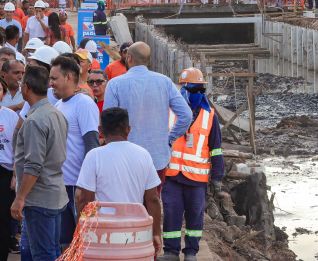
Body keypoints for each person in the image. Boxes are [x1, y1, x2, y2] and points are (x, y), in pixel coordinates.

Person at [103, 42, 192, 188]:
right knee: (153, 202)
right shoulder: (165, 82)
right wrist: (170, 138)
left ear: (129, 58)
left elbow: (107, 121)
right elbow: (186, 115)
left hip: (125, 159)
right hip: (157, 157)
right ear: (148, 60)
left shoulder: (115, 84)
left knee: (128, 203)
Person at [75, 108, 162, 255]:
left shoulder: (94, 156)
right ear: (128, 130)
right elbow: (153, 199)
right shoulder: (143, 155)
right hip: (136, 233)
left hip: (102, 235)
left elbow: (84, 199)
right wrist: (156, 234)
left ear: (100, 130)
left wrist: (81, 231)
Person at [160, 68, 223, 261]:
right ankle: (171, 251)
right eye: (194, 90)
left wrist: (218, 176)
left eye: (201, 90)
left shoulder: (209, 115)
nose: (198, 94)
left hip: (197, 178)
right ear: (183, 89)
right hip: (172, 175)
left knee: (195, 215)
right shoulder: (169, 112)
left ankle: (191, 252)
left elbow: (216, 148)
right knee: (171, 212)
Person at [11, 65, 68, 261]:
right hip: (54, 193)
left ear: (26, 87)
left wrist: (20, 198)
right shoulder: (55, 113)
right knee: (52, 252)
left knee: (43, 254)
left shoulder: (35, 120)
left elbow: (33, 165)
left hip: (40, 198)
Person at [49, 55, 100, 250]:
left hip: (77, 186)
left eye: (54, 79)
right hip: (61, 185)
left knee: (82, 242)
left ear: (69, 77)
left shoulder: (84, 104)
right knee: (64, 242)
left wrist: (87, 185)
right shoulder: (59, 105)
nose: (51, 84)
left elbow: (92, 145)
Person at [0, 80, 20, 261]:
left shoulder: (10, 116)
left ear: (3, 93)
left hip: (5, 172)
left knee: (4, 219)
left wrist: (15, 173)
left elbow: (17, 147)